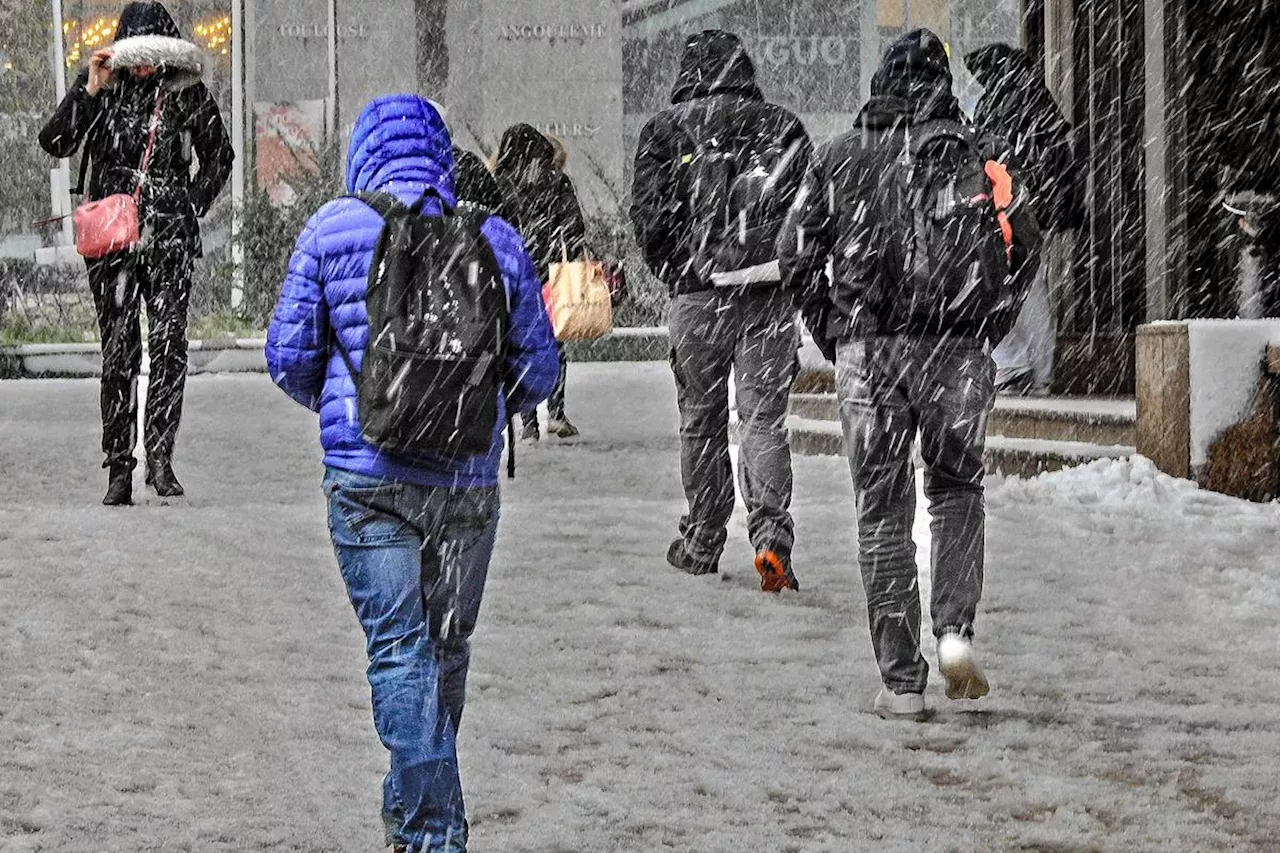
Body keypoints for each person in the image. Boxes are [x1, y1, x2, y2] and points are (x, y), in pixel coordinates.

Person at [265, 94, 558, 852]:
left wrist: (353, 409)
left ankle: (429, 828)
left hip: (367, 482)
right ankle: (418, 817)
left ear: (365, 150)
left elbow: (287, 357)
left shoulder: (332, 229)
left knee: (401, 649)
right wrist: (478, 414)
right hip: (464, 483)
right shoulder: (494, 238)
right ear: (440, 154)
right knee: (443, 649)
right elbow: (541, 368)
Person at [780, 29, 1040, 720]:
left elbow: (795, 252)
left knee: (882, 507)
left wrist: (830, 326)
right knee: (956, 487)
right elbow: (1027, 239)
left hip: (869, 350)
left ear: (880, 80)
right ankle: (954, 632)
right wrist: (990, 320)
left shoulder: (838, 157)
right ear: (944, 83)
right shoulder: (980, 155)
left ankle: (900, 679)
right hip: (955, 347)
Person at [630, 29, 812, 592]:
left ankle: (703, 539)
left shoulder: (665, 129)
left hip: (699, 297)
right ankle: (772, 539)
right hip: (768, 294)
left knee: (702, 422)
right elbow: (808, 213)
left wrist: (682, 271)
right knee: (762, 420)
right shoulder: (782, 126)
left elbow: (650, 218)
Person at [38, 1, 233, 505]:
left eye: (152, 52)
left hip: (169, 242)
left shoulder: (185, 95)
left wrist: (190, 203)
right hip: (112, 245)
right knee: (119, 351)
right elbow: (55, 141)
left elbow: (220, 155)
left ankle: (161, 458)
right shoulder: (105, 90)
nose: (144, 64)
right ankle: (119, 466)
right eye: (136, 52)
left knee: (169, 347)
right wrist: (89, 86)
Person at [966, 43, 1078, 396]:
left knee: (1007, 285)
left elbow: (989, 159)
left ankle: (1017, 366)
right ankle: (1039, 371)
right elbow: (1060, 162)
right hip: (1030, 209)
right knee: (1030, 286)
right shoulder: (1036, 101)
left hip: (1010, 207)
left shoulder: (999, 103)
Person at [491, 123, 588, 442]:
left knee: (519, 342)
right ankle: (557, 413)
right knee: (555, 344)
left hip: (513, 274)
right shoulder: (556, 181)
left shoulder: (501, 183)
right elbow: (574, 228)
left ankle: (528, 421)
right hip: (550, 272)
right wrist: (570, 261)